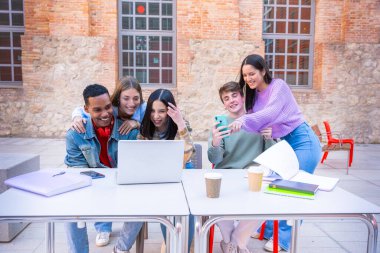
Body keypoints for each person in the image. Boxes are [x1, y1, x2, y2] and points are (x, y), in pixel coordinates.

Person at [229, 54, 322, 252]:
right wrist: (265, 129)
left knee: (295, 190)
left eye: (252, 74)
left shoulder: (278, 86)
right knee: (273, 184)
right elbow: (260, 125)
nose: (248, 79)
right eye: (245, 76)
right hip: (285, 145)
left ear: (263, 71)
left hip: (303, 141)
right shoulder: (253, 96)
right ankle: (269, 229)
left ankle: (284, 240)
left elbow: (271, 113)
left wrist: (244, 120)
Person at [64, 83, 142, 253]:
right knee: (70, 211)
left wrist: (136, 124)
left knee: (142, 202)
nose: (105, 114)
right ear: (86, 109)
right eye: (97, 110)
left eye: (108, 107)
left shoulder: (128, 130)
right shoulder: (75, 135)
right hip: (93, 186)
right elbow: (78, 173)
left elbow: (135, 168)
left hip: (121, 185)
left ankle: (121, 249)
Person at [208, 81, 275, 253]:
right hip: (227, 175)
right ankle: (232, 242)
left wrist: (269, 138)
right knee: (215, 200)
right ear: (223, 103)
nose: (231, 100)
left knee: (267, 202)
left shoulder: (258, 119)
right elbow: (214, 158)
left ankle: (236, 240)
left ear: (243, 96)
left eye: (234, 95)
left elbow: (272, 156)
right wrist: (215, 143)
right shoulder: (220, 124)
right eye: (226, 98)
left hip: (252, 175)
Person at [138, 88, 195, 253]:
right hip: (156, 175)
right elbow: (139, 157)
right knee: (165, 205)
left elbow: (187, 154)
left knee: (188, 207)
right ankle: (170, 242)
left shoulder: (180, 124)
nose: (156, 116)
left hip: (181, 170)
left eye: (162, 111)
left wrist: (180, 123)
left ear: (170, 111)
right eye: (153, 111)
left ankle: (184, 246)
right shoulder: (145, 128)